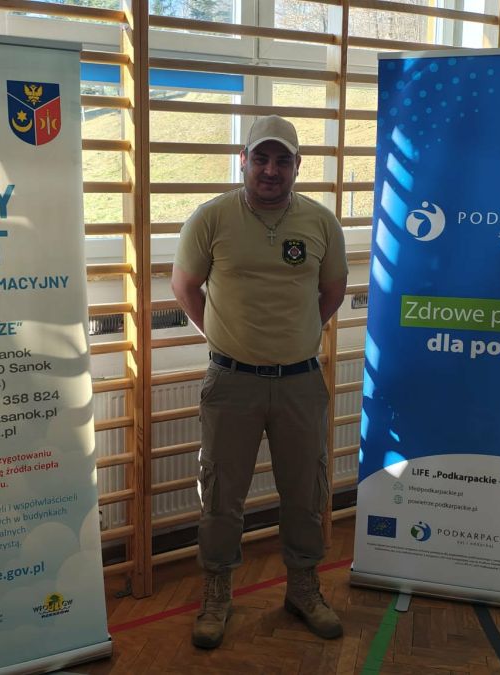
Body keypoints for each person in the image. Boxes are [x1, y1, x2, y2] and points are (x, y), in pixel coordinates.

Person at [171, 115, 349, 649]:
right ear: (243, 160)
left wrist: (296, 338)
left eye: (283, 160)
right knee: (222, 496)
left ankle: (303, 588)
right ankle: (217, 593)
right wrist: (223, 337)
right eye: (262, 158)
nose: (271, 170)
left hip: (300, 382)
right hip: (232, 383)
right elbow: (185, 286)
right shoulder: (211, 218)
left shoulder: (320, 222)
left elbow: (332, 292)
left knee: (306, 491)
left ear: (297, 166)